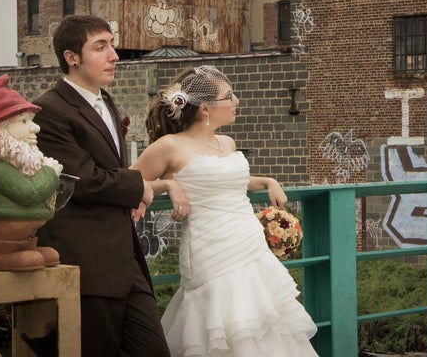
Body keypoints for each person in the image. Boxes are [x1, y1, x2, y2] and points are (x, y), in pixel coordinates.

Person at [131, 65, 319, 357]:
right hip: (210, 251)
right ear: (205, 108)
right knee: (225, 328)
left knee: (264, 325)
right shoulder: (169, 146)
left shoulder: (227, 143)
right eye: (228, 96)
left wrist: (268, 181)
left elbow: (230, 181)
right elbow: (127, 181)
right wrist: (167, 185)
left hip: (249, 244)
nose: (236, 101)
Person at [32, 14, 174, 357]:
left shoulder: (106, 101)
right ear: (71, 57)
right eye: (101, 47)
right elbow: (81, 179)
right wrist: (141, 185)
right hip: (87, 263)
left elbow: (107, 171)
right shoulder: (48, 109)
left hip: (126, 262)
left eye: (112, 44)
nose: (115, 55)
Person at [0, 74, 63, 272]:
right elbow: (28, 194)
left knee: (36, 256)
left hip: (25, 231)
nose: (36, 128)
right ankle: (0, 255)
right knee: (24, 256)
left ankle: (26, 247)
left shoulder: (19, 165)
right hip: (3, 230)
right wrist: (50, 173)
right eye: (23, 122)